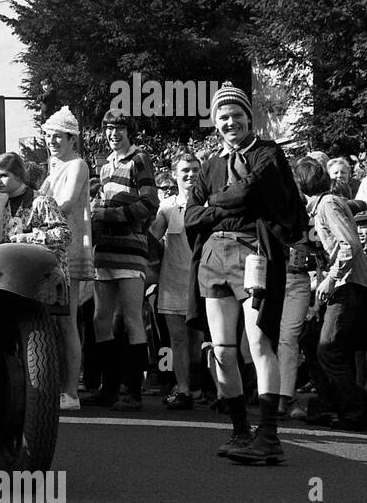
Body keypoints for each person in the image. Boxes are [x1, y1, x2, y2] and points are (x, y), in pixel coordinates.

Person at [184, 84, 306, 463]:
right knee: (222, 348)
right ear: (215, 124)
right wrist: (224, 205)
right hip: (212, 258)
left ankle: (268, 436)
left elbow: (253, 190)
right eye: (223, 117)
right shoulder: (209, 164)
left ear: (249, 118)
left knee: (259, 344)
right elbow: (190, 215)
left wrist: (215, 204)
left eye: (237, 115)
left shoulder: (268, 153)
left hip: (252, 254)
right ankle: (239, 432)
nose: (230, 121)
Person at [84, 110, 158, 411]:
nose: (113, 133)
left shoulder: (139, 158)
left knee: (131, 319)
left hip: (130, 251)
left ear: (130, 131)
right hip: (104, 250)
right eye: (109, 128)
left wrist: (110, 214)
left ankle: (133, 391)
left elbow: (150, 202)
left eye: (119, 128)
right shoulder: (104, 167)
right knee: (101, 319)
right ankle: (109, 387)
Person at [293, 157, 367, 430]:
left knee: (329, 349)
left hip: (348, 285)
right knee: (312, 341)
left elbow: (350, 244)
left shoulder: (327, 205)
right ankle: (331, 404)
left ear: (301, 185)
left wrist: (331, 279)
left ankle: (355, 410)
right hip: (344, 284)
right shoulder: (324, 205)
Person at [38, 107, 93, 410]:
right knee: (52, 321)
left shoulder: (77, 165)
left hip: (68, 251)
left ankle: (71, 391)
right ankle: (58, 387)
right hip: (50, 249)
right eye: (49, 136)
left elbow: (68, 202)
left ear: (72, 139)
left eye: (59, 137)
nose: (53, 141)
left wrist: (37, 215)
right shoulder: (54, 167)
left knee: (68, 321)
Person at [149, 151, 204, 410]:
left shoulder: (210, 203)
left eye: (195, 169)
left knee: (202, 340)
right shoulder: (168, 205)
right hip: (172, 280)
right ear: (175, 174)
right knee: (179, 339)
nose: (191, 174)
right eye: (185, 170)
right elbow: (151, 238)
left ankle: (204, 387)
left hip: (203, 282)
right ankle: (183, 390)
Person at [0, 152, 70, 266]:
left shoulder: (42, 202)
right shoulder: (3, 205)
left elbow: (65, 235)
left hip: (46, 275)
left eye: (3, 175)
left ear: (18, 175)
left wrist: (30, 238)